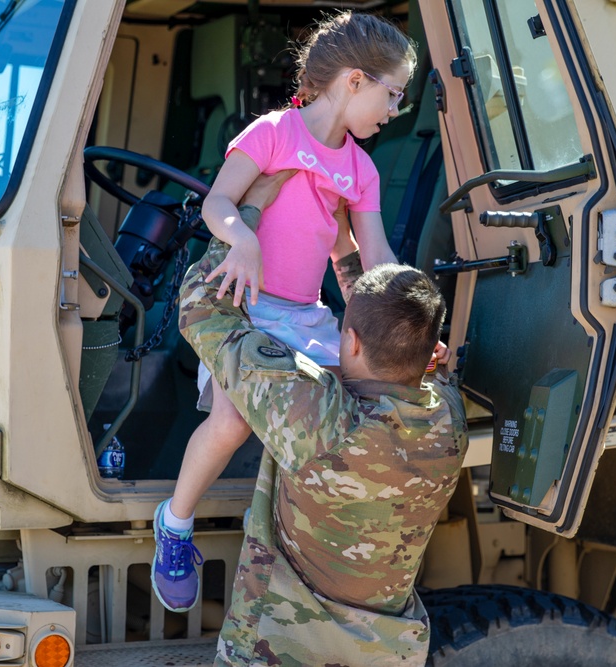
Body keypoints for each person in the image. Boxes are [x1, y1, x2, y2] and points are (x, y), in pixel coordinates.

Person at [151, 10, 444, 613]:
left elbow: (377, 258)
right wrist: (245, 240)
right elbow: (219, 204)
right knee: (232, 421)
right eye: (392, 95)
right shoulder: (274, 133)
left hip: (306, 317)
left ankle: (319, 554)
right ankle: (174, 525)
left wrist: (410, 333)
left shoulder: (360, 169)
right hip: (248, 310)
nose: (394, 111)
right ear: (355, 81)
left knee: (358, 412)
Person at [174, 183, 467, 665]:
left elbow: (201, 306)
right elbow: (420, 359)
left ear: (348, 342)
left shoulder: (318, 415)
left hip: (278, 651)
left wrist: (247, 213)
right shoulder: (447, 422)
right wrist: (345, 249)